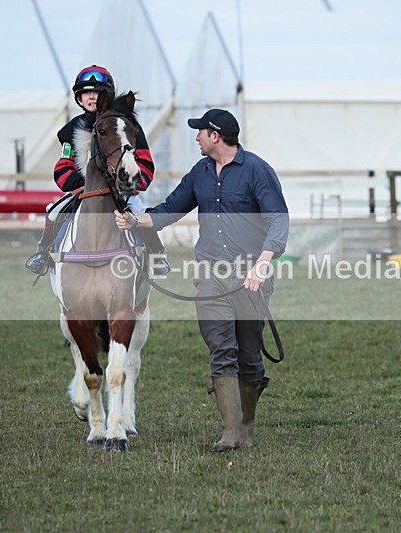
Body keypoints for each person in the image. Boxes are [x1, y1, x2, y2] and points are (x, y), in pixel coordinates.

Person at [115, 108, 289, 452]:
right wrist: (138, 222)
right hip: (211, 275)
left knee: (250, 355)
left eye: (200, 133)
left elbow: (278, 220)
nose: (195, 137)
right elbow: (172, 208)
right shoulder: (200, 173)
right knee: (220, 348)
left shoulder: (257, 170)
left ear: (216, 135)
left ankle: (247, 429)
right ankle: (230, 433)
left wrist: (263, 263)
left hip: (249, 275)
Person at [25, 65, 168, 276]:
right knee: (54, 212)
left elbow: (144, 162)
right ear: (79, 98)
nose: (91, 97)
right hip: (84, 191)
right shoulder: (71, 129)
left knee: (139, 212)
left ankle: (156, 256)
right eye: (86, 93)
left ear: (106, 96)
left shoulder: (127, 126)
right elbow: (64, 164)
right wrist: (81, 185)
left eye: (97, 92)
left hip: (121, 192)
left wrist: (135, 183)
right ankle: (43, 254)